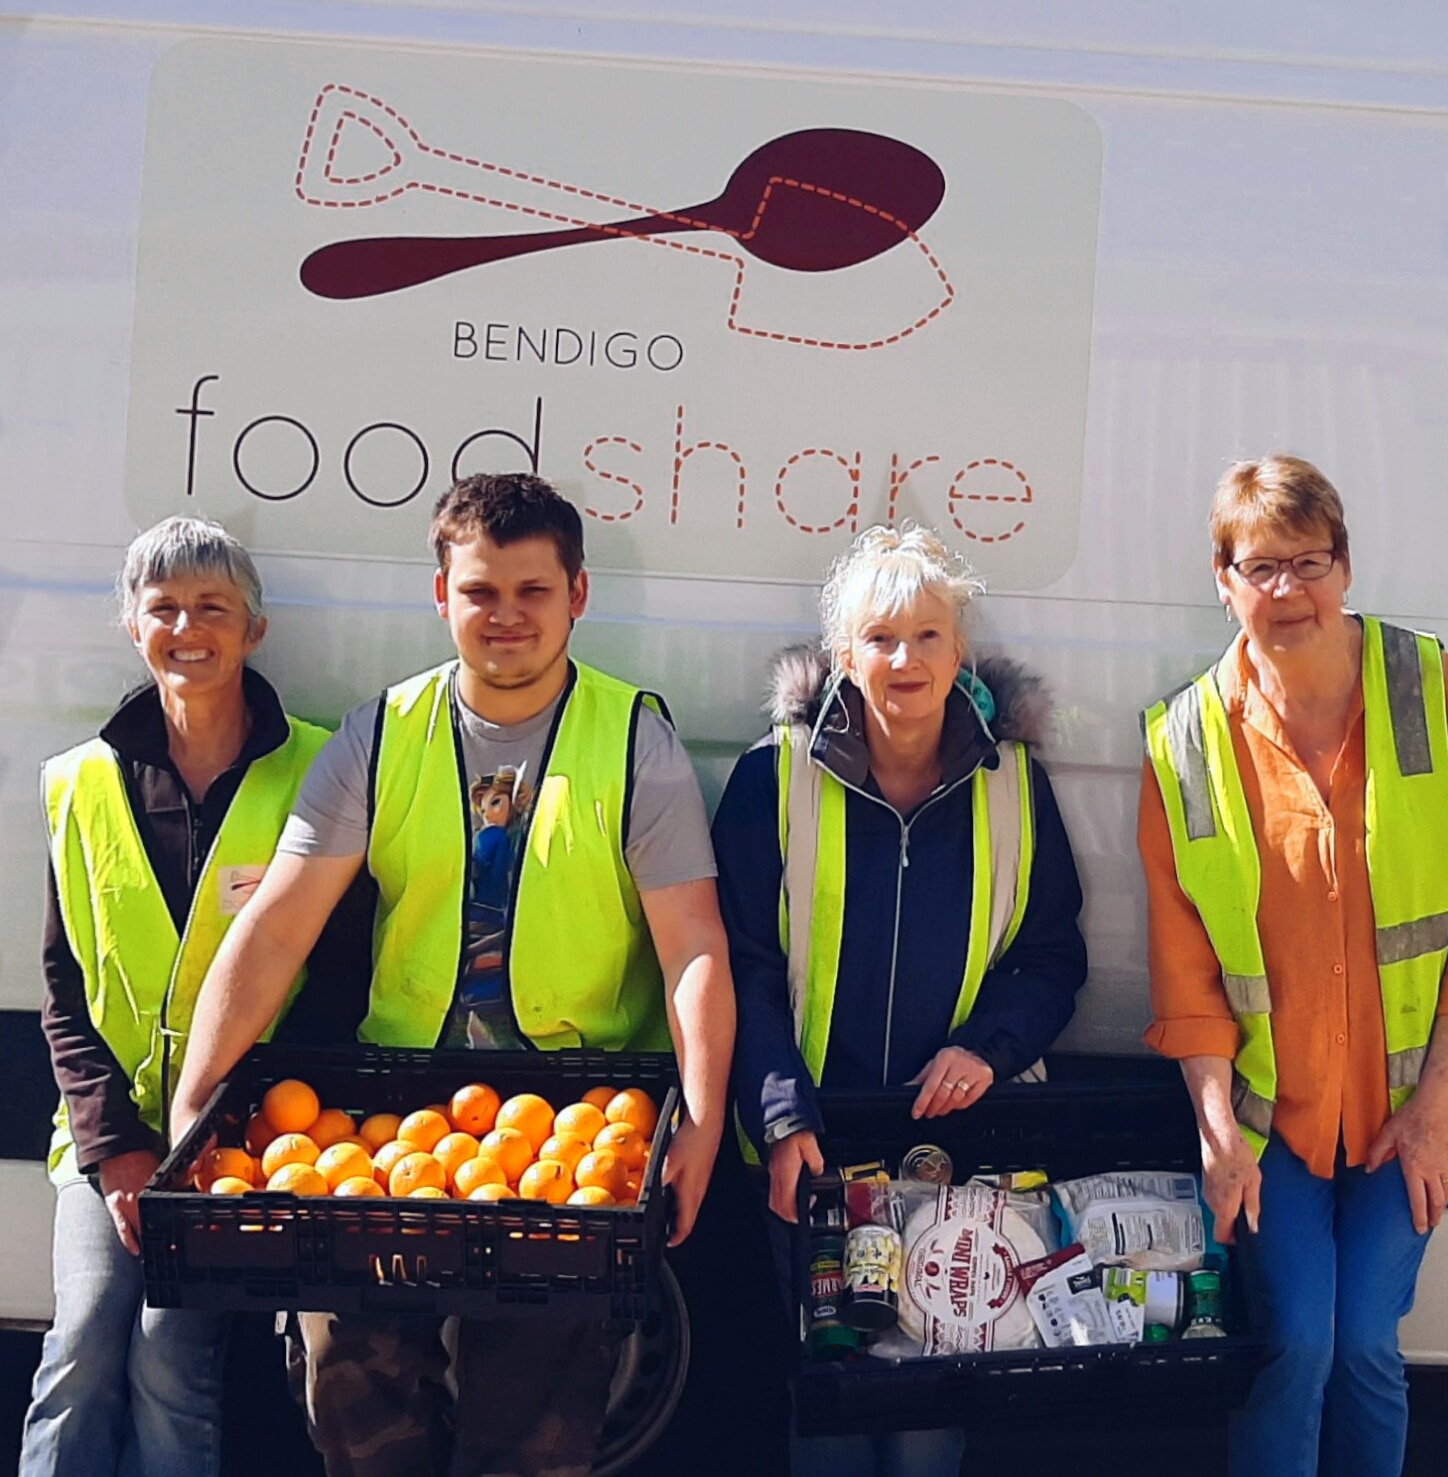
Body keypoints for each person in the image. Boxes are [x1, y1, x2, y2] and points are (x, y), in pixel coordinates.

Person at [169, 471, 735, 1477]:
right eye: (480, 591)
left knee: (533, 1441)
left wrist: (696, 1118)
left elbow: (693, 944)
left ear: (578, 596)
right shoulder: (379, 733)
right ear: (441, 597)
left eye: (531, 591)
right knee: (358, 1421)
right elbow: (273, 929)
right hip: (386, 1129)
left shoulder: (634, 739)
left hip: (576, 1134)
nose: (505, 616)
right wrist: (196, 1102)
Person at [712, 523, 1088, 1477]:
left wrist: (989, 1049)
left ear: (959, 653)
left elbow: (1050, 958)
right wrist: (780, 1111)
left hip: (951, 1154)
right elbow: (740, 964)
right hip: (815, 1146)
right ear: (844, 656)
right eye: (880, 638)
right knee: (829, 1403)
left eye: (927, 636)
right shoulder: (774, 778)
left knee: (928, 1412)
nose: (904, 658)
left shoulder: (1015, 788)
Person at [1138, 455, 1448, 1477]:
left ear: (1345, 565)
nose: (1286, 592)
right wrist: (1215, 1138)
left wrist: (1435, 1109)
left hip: (1407, 1104)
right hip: (1264, 1119)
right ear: (1221, 577)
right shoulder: (1183, 739)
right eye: (1259, 567)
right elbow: (1185, 970)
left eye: (1308, 562)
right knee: (1296, 1348)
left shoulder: (1438, 692)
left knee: (1369, 1346)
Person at [21, 516, 331, 1477]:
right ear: (130, 624)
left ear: (253, 629)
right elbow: (63, 987)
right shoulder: (77, 783)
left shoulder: (316, 769)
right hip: (105, 1139)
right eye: (163, 608)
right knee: (79, 1347)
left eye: (213, 607)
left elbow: (332, 975)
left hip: (238, 1140)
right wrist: (116, 1153)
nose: (187, 628)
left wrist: (230, 1139)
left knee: (173, 1362)